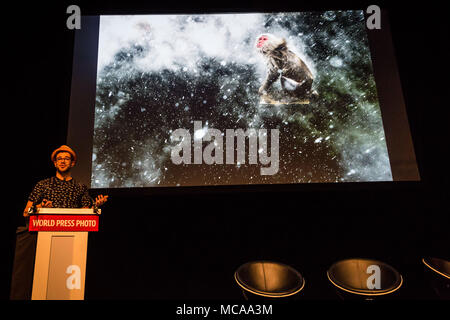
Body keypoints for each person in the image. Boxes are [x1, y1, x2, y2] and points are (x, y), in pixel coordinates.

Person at [10, 145, 108, 300]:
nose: (63, 161)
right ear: (55, 163)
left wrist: (95, 206)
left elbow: (85, 212)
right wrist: (40, 207)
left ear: (72, 163)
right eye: (59, 159)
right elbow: (25, 212)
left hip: (70, 243)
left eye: (66, 159)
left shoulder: (79, 187)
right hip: (43, 241)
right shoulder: (43, 185)